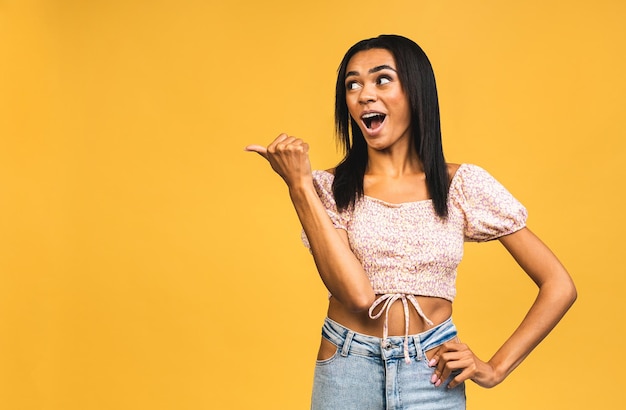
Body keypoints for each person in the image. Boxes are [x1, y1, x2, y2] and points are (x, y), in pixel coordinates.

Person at [245, 34, 576, 410]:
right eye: (352, 84)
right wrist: (299, 186)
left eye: (381, 79)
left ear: (416, 91)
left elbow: (558, 285)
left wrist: (494, 369)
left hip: (432, 371)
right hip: (348, 368)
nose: (364, 94)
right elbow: (357, 296)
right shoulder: (330, 187)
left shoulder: (460, 186)